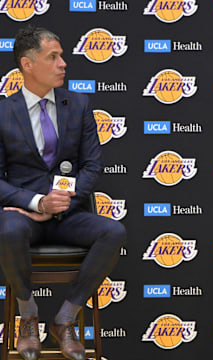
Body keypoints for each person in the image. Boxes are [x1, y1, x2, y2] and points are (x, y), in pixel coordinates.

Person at [0, 26, 126, 360]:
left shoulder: (79, 105)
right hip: (26, 216)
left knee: (113, 231)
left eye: (62, 55)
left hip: (70, 214)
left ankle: (65, 319)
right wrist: (36, 202)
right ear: (28, 64)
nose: (63, 63)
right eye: (53, 57)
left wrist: (62, 201)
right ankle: (27, 315)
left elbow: (92, 166)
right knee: (7, 229)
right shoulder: (3, 112)